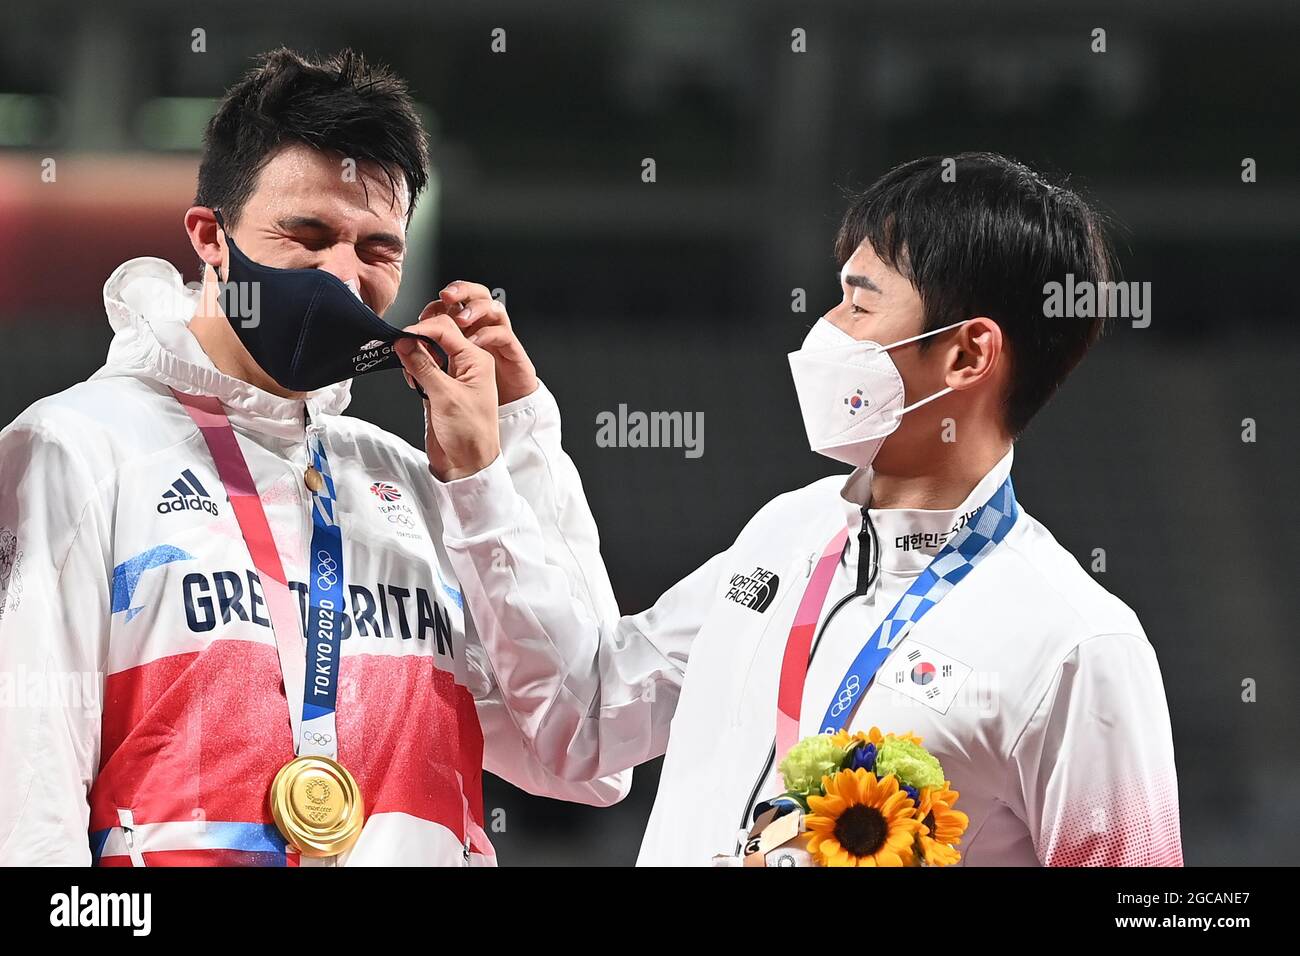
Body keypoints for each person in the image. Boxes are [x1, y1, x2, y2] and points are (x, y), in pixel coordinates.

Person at [398, 152, 1185, 866]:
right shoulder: (786, 534)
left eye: (859, 303)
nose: (825, 331)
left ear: (967, 353)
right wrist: (509, 447)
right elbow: (589, 716)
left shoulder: (1077, 646)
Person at [0, 47, 626, 867]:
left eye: (377, 249)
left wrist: (516, 450)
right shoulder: (76, 449)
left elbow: (584, 749)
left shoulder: (416, 483)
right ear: (209, 239)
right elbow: (24, 796)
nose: (341, 274)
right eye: (309, 234)